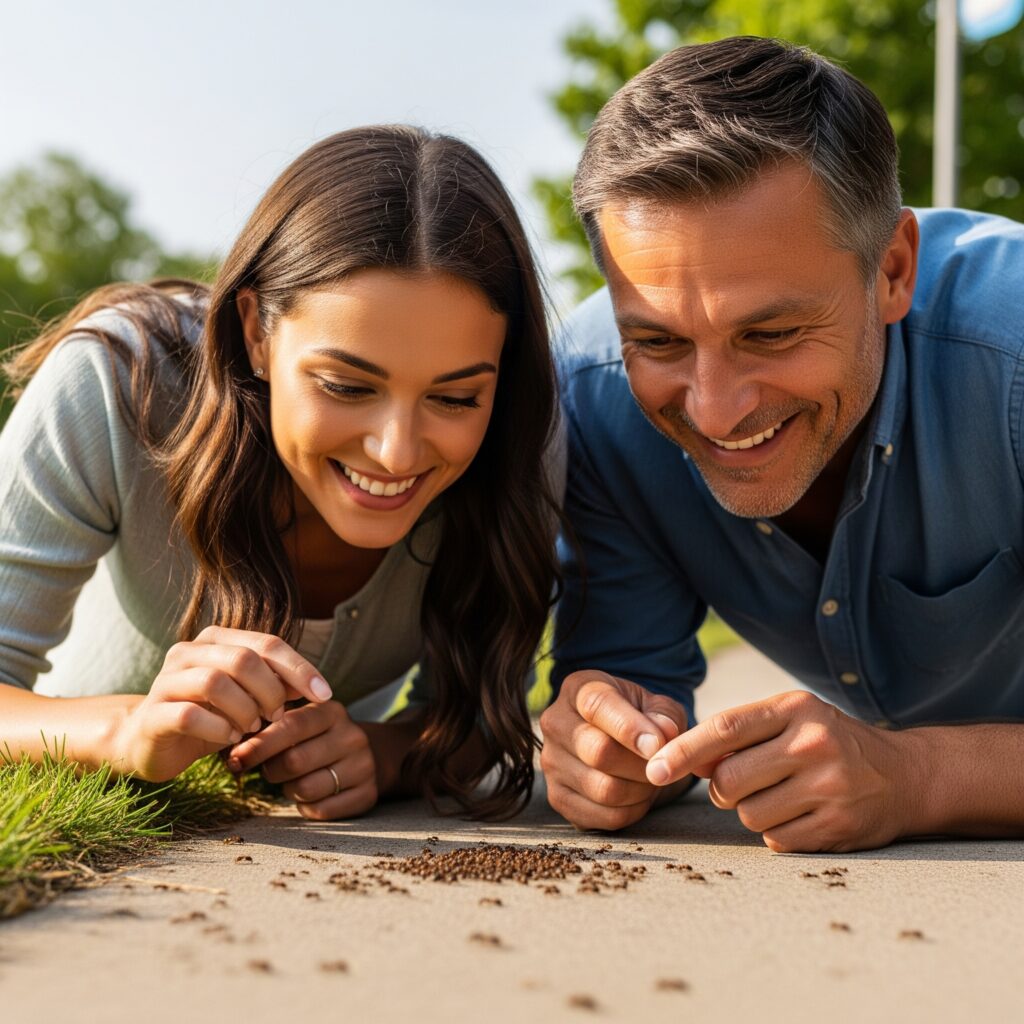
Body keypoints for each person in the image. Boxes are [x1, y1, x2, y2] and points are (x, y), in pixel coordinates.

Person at [541, 36, 1024, 852]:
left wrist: (918, 777)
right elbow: (632, 681)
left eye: (770, 333)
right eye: (658, 343)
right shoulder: (593, 401)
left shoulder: (1010, 357)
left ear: (893, 270)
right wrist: (609, 745)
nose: (717, 410)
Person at [0, 125, 561, 822]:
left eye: (454, 398)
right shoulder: (115, 382)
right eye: (346, 386)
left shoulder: (523, 437)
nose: (395, 453)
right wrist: (128, 730)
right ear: (256, 333)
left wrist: (379, 756)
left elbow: (475, 715)